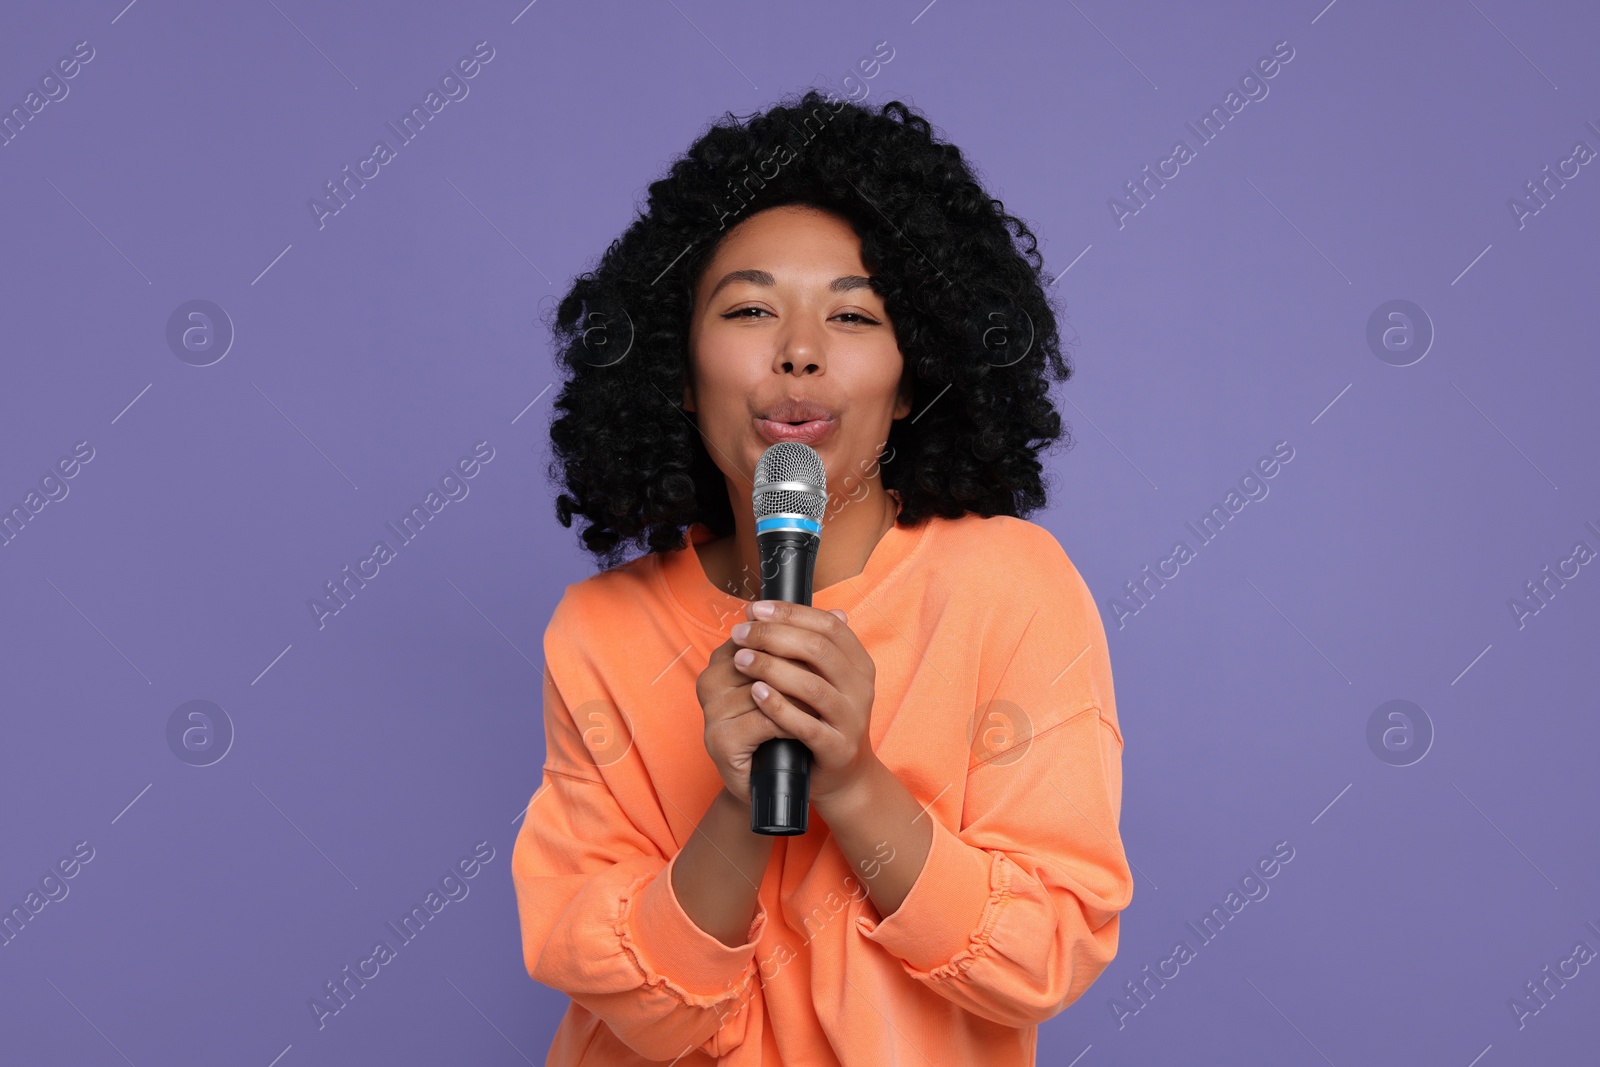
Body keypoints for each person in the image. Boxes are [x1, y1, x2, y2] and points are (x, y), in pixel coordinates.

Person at [512, 87, 1133, 1066]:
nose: (798, 353)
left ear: (915, 369)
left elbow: (1041, 951)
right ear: (678, 368)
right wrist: (733, 799)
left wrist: (849, 778)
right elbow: (640, 1005)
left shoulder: (1010, 589)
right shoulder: (600, 631)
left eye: (852, 316)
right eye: (751, 308)